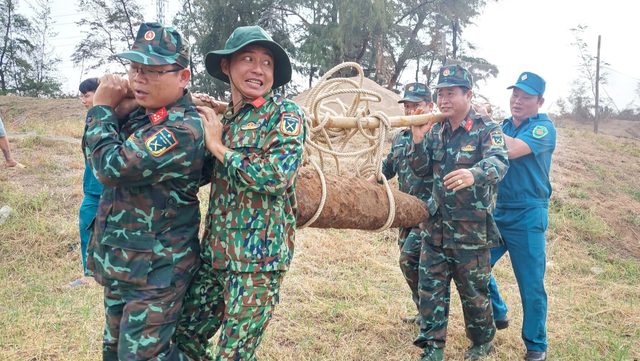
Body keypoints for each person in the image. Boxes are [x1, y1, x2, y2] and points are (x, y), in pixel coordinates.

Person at [173, 26, 306, 361]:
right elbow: (198, 174)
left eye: (267, 63)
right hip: (214, 256)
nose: (258, 69)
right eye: (248, 59)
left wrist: (218, 146)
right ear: (226, 67)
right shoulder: (226, 119)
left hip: (257, 263)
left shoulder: (285, 114)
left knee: (233, 355)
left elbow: (276, 176)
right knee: (183, 336)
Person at [83, 22, 210, 360]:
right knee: (114, 351)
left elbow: (109, 167)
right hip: (122, 263)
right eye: (135, 68)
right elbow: (95, 152)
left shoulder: (181, 128)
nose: (139, 78)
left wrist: (101, 108)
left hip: (156, 270)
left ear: (183, 77)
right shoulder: (143, 117)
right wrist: (117, 108)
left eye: (152, 71)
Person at [408, 64, 509, 361]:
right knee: (430, 292)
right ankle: (432, 348)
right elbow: (421, 170)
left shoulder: (487, 129)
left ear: (468, 94)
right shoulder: (435, 128)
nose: (444, 99)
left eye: (451, 92)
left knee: (474, 295)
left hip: (470, 232)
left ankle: (481, 342)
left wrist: (474, 174)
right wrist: (417, 139)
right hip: (434, 229)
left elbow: (500, 162)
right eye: (440, 93)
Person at [485, 72, 555, 361]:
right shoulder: (501, 125)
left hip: (529, 213)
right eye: (515, 94)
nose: (518, 101)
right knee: (473, 264)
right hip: (499, 210)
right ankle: (499, 312)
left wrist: (486, 124)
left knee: (530, 284)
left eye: (526, 97)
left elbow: (511, 149)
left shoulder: (543, 129)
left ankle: (536, 346)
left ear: (539, 101)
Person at [369, 82, 434, 325]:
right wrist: (364, 186)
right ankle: (423, 311)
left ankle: (431, 317)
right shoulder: (401, 138)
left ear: (430, 106)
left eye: (416, 105)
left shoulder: (436, 136)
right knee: (409, 265)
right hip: (405, 214)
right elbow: (386, 169)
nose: (410, 111)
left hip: (429, 213)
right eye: (407, 106)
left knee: (410, 260)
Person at [67, 78, 103, 288]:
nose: (83, 100)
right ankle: (89, 274)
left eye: (86, 95)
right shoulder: (91, 119)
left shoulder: (116, 119)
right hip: (93, 189)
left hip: (111, 190)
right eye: (81, 95)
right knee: (87, 227)